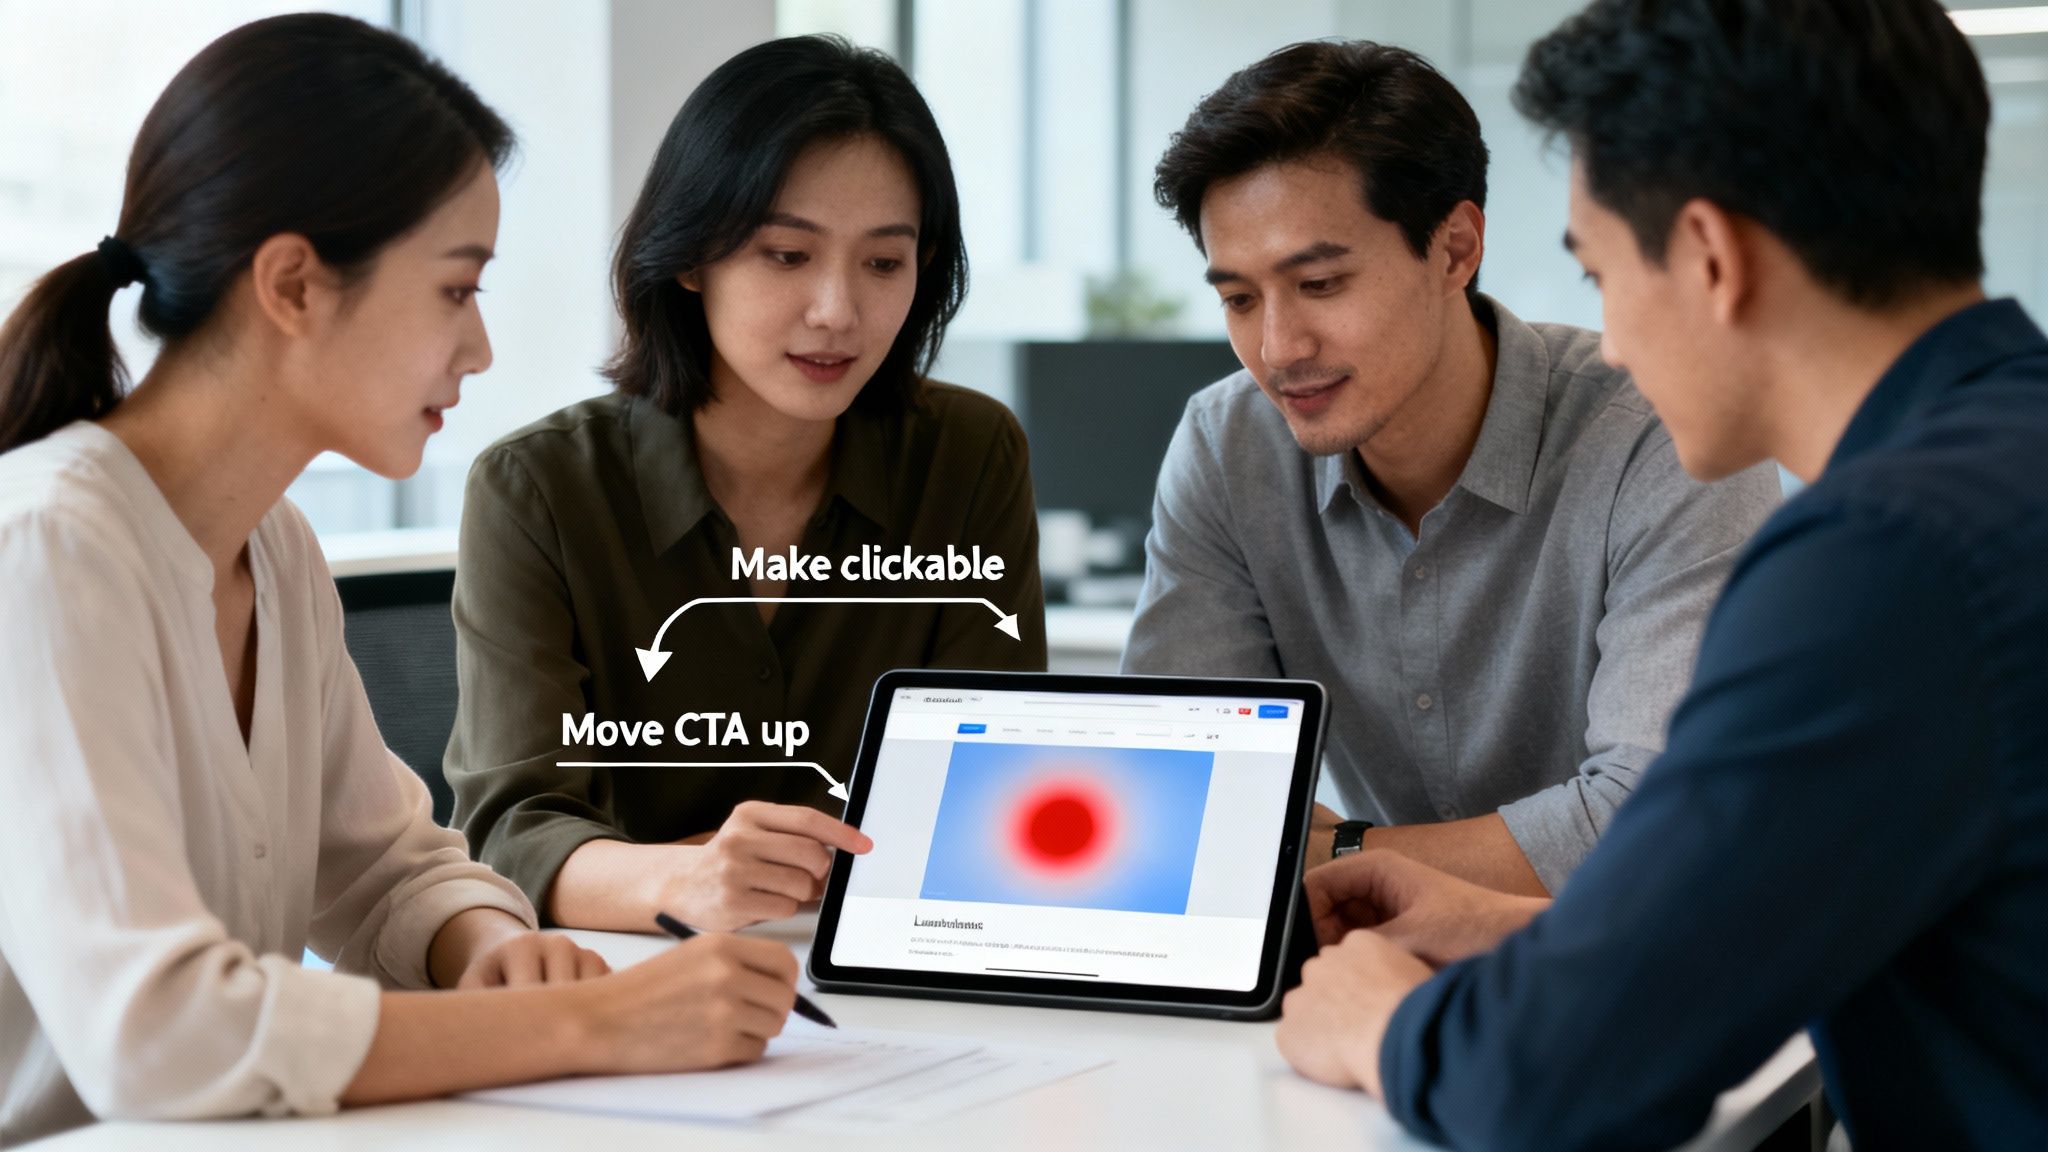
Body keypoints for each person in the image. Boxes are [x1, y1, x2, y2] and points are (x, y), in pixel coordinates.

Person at [0, 17, 801, 1147]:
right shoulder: (45, 550)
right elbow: (157, 1030)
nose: (477, 349)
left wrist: (484, 946)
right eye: (454, 289)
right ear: (293, 285)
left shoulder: (271, 544)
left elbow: (381, 869)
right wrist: (596, 1024)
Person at [1272, 1, 2048, 1147]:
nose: (1615, 344)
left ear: (1707, 256)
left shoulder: (1881, 558)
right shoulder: (2006, 459)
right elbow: (1784, 902)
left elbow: (1564, 1083)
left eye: (1597, 274)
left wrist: (1383, 1024)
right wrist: (1519, 932)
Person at [1129, 41, 1780, 894]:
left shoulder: (1663, 433)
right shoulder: (1227, 445)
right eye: (1239, 299)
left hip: (1647, 978)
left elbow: (1664, 820)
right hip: (1360, 974)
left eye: (1320, 283)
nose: (1278, 349)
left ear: (1454, 250)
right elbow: (1177, 789)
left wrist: (1336, 855)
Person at [446, 35, 1047, 935]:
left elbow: (995, 779)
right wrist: (687, 881)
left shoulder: (968, 453)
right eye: (785, 255)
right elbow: (509, 832)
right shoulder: (539, 490)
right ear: (689, 258)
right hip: (632, 982)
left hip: (904, 971)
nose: (838, 311)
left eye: (884, 263)